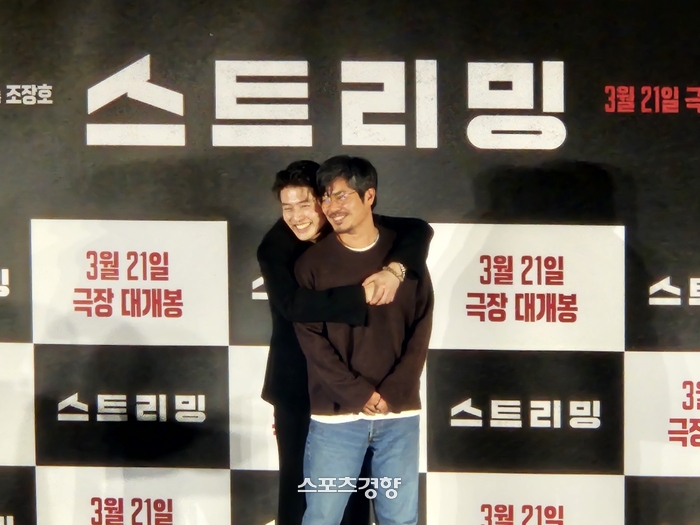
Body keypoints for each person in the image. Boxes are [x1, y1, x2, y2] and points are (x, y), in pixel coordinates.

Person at [256, 160, 433, 525]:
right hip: (299, 386)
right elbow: (294, 307)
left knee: (362, 493)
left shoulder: (361, 227)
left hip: (365, 384)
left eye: (310, 203)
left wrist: (395, 270)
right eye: (288, 208)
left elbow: (418, 229)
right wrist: (364, 294)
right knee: (304, 495)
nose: (298, 217)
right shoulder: (277, 247)